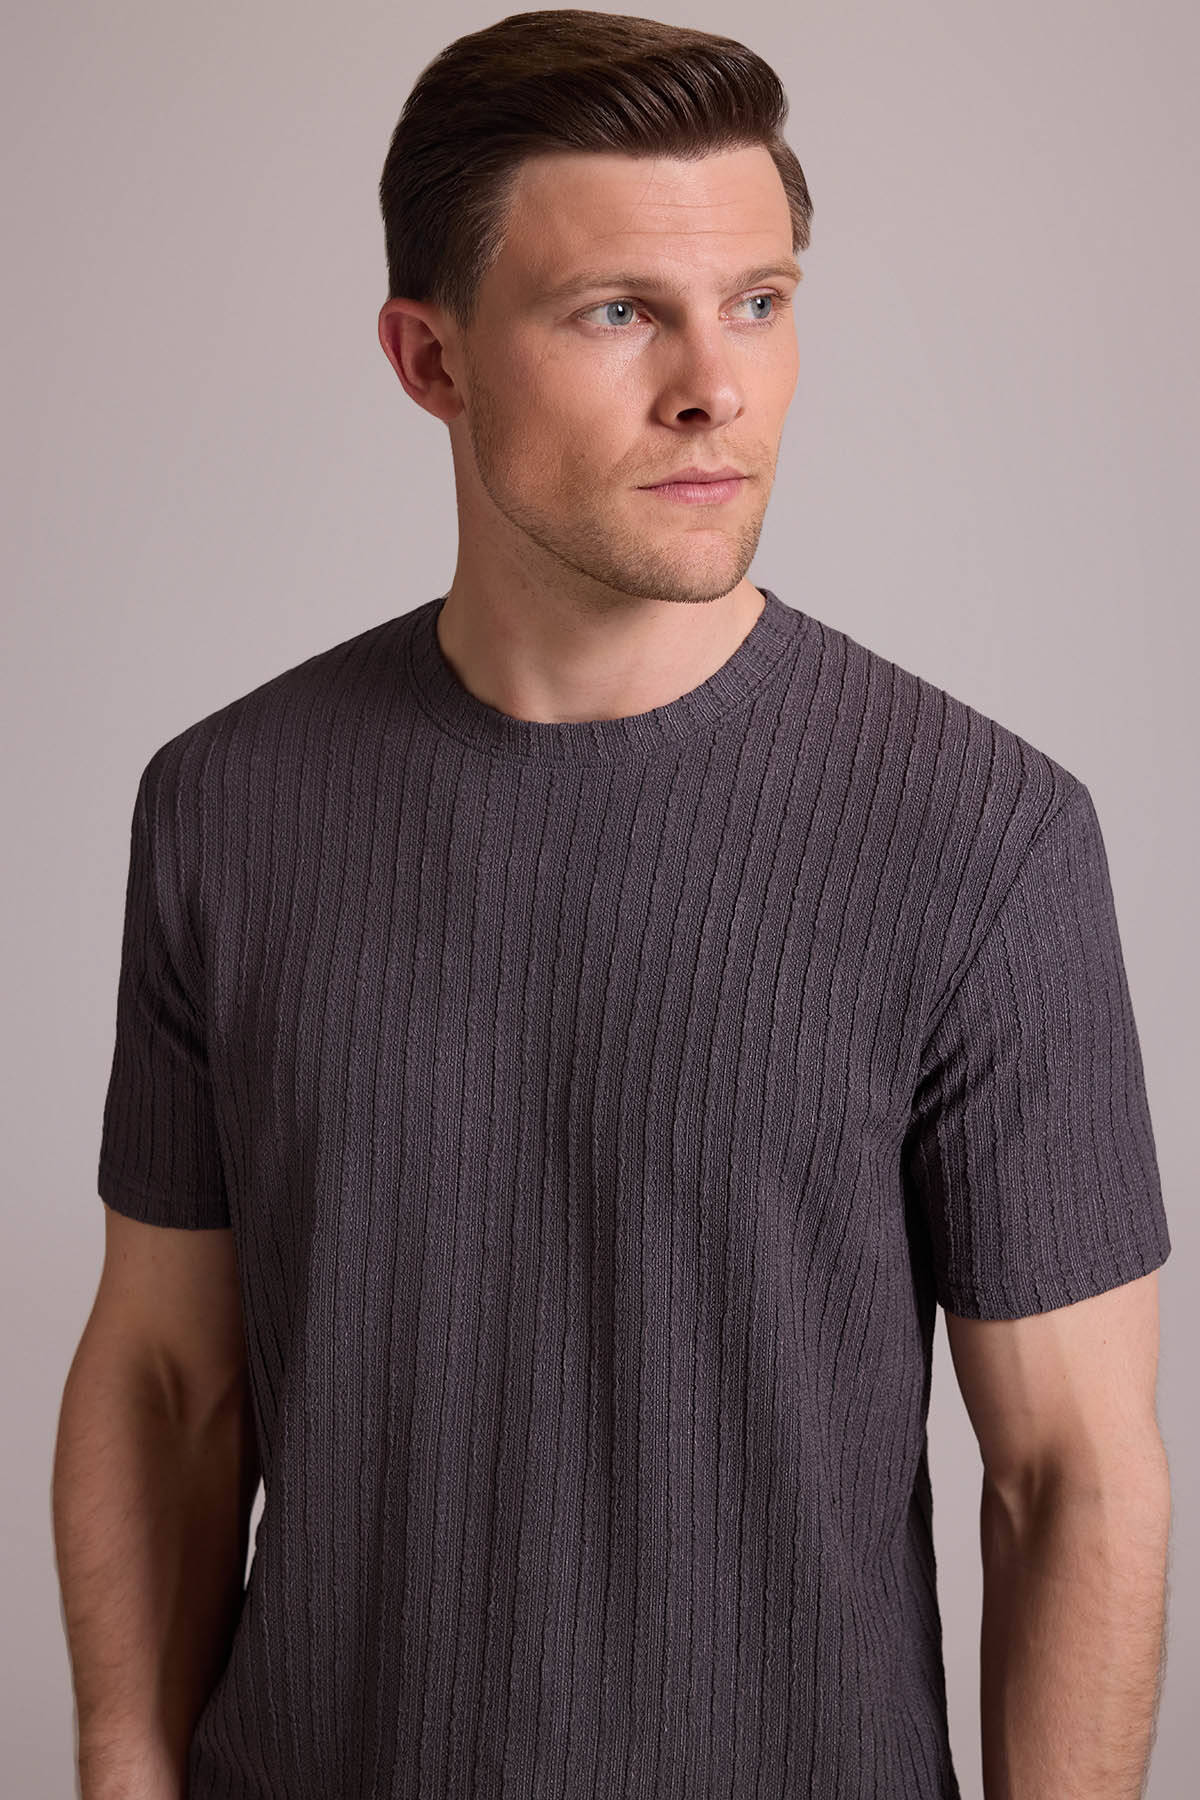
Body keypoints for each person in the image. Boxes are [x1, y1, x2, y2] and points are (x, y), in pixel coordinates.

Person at [52, 11, 1173, 1800]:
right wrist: (121, 1768)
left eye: (760, 301)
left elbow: (1073, 1481)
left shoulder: (986, 838)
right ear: (430, 359)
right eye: (618, 312)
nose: (715, 385)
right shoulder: (224, 807)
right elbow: (170, 1386)